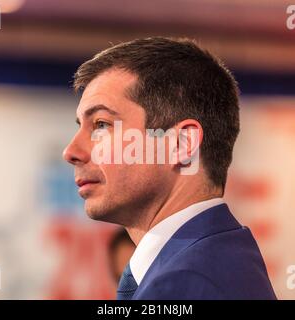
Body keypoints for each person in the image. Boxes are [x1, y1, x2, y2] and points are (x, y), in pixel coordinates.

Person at [63, 37, 277, 300]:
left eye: (101, 124)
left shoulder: (184, 284)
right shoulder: (214, 263)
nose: (71, 152)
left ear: (181, 144)